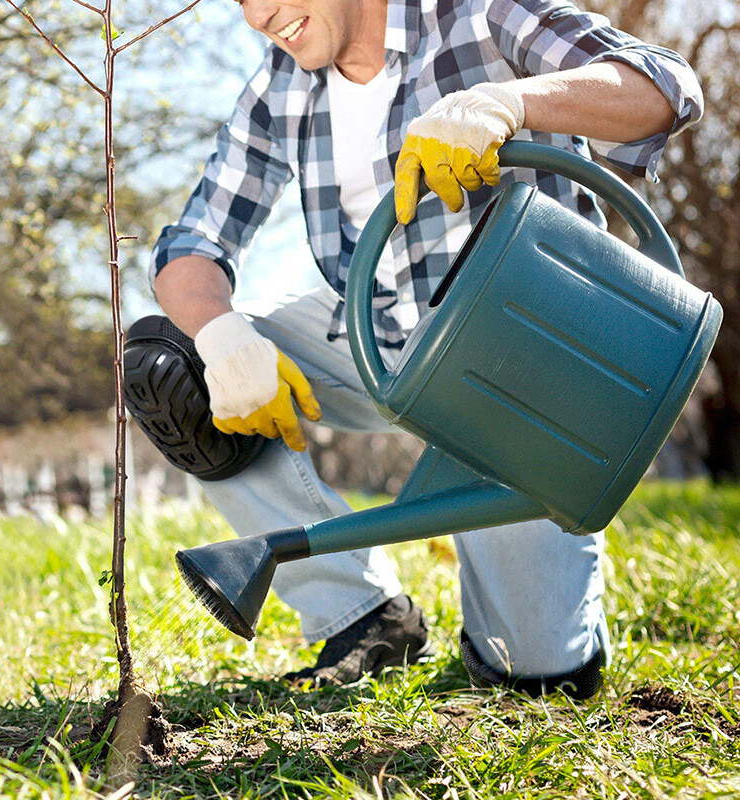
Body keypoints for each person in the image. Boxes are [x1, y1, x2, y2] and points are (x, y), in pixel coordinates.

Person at [149, 0, 702, 695]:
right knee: (170, 364)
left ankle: (534, 635)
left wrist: (508, 102)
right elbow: (191, 241)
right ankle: (362, 616)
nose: (260, 14)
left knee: (534, 674)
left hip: (519, 370)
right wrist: (219, 334)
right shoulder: (279, 86)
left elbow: (663, 84)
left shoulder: (479, 14)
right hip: (375, 347)